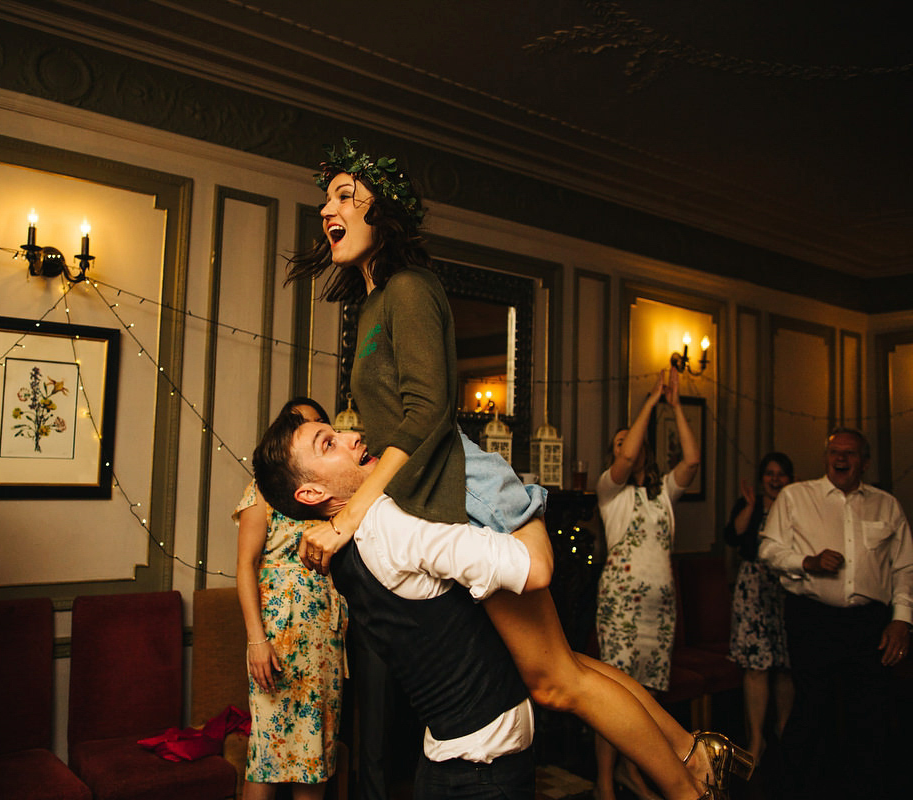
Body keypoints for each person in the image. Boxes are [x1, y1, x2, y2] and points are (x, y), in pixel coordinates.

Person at [284, 138, 749, 799]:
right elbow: (396, 419)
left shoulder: (408, 288)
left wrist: (351, 513)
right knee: (563, 667)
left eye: (344, 195)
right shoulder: (374, 302)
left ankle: (689, 788)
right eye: (325, 197)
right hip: (444, 486)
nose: (327, 207)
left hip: (464, 489)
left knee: (556, 681)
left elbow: (432, 412)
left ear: (382, 211)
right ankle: (687, 747)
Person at [254, 411, 742, 800]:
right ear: (312, 493)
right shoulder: (386, 523)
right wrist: (515, 506)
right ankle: (692, 781)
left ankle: (691, 754)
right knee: (566, 677)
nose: (351, 437)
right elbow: (535, 568)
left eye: (336, 430)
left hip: (451, 761)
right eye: (328, 443)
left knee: (570, 670)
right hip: (482, 772)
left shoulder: (342, 546)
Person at [759, 427, 913, 800]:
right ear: (826, 457)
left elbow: (906, 569)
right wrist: (807, 561)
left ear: (864, 461)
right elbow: (768, 549)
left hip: (869, 624)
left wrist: (902, 620)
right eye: (835, 453)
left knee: (870, 715)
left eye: (850, 454)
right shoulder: (796, 497)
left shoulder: (886, 505)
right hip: (812, 618)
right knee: (812, 712)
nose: (841, 459)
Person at [593, 369, 701, 800]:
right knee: (614, 696)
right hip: (621, 604)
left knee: (648, 698)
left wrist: (675, 406)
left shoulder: (663, 495)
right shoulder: (610, 489)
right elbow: (625, 457)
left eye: (632, 440)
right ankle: (605, 780)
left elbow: (691, 461)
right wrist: (650, 402)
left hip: (661, 608)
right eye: (620, 443)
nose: (628, 446)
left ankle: (633, 773)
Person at [234, 397, 347, 800]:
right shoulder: (263, 489)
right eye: (300, 423)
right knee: (267, 751)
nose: (312, 429)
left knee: (314, 756)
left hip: (325, 637)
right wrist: (256, 640)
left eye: (320, 424)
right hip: (278, 633)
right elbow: (244, 566)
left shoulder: (333, 487)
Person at [722, 452, 795, 765]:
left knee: (784, 664)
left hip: (786, 589)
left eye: (781, 474)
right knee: (756, 665)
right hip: (752, 587)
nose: (775, 479)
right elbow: (732, 536)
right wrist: (751, 506)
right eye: (769, 473)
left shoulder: (797, 507)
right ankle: (755, 737)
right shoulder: (750, 504)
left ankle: (784, 731)